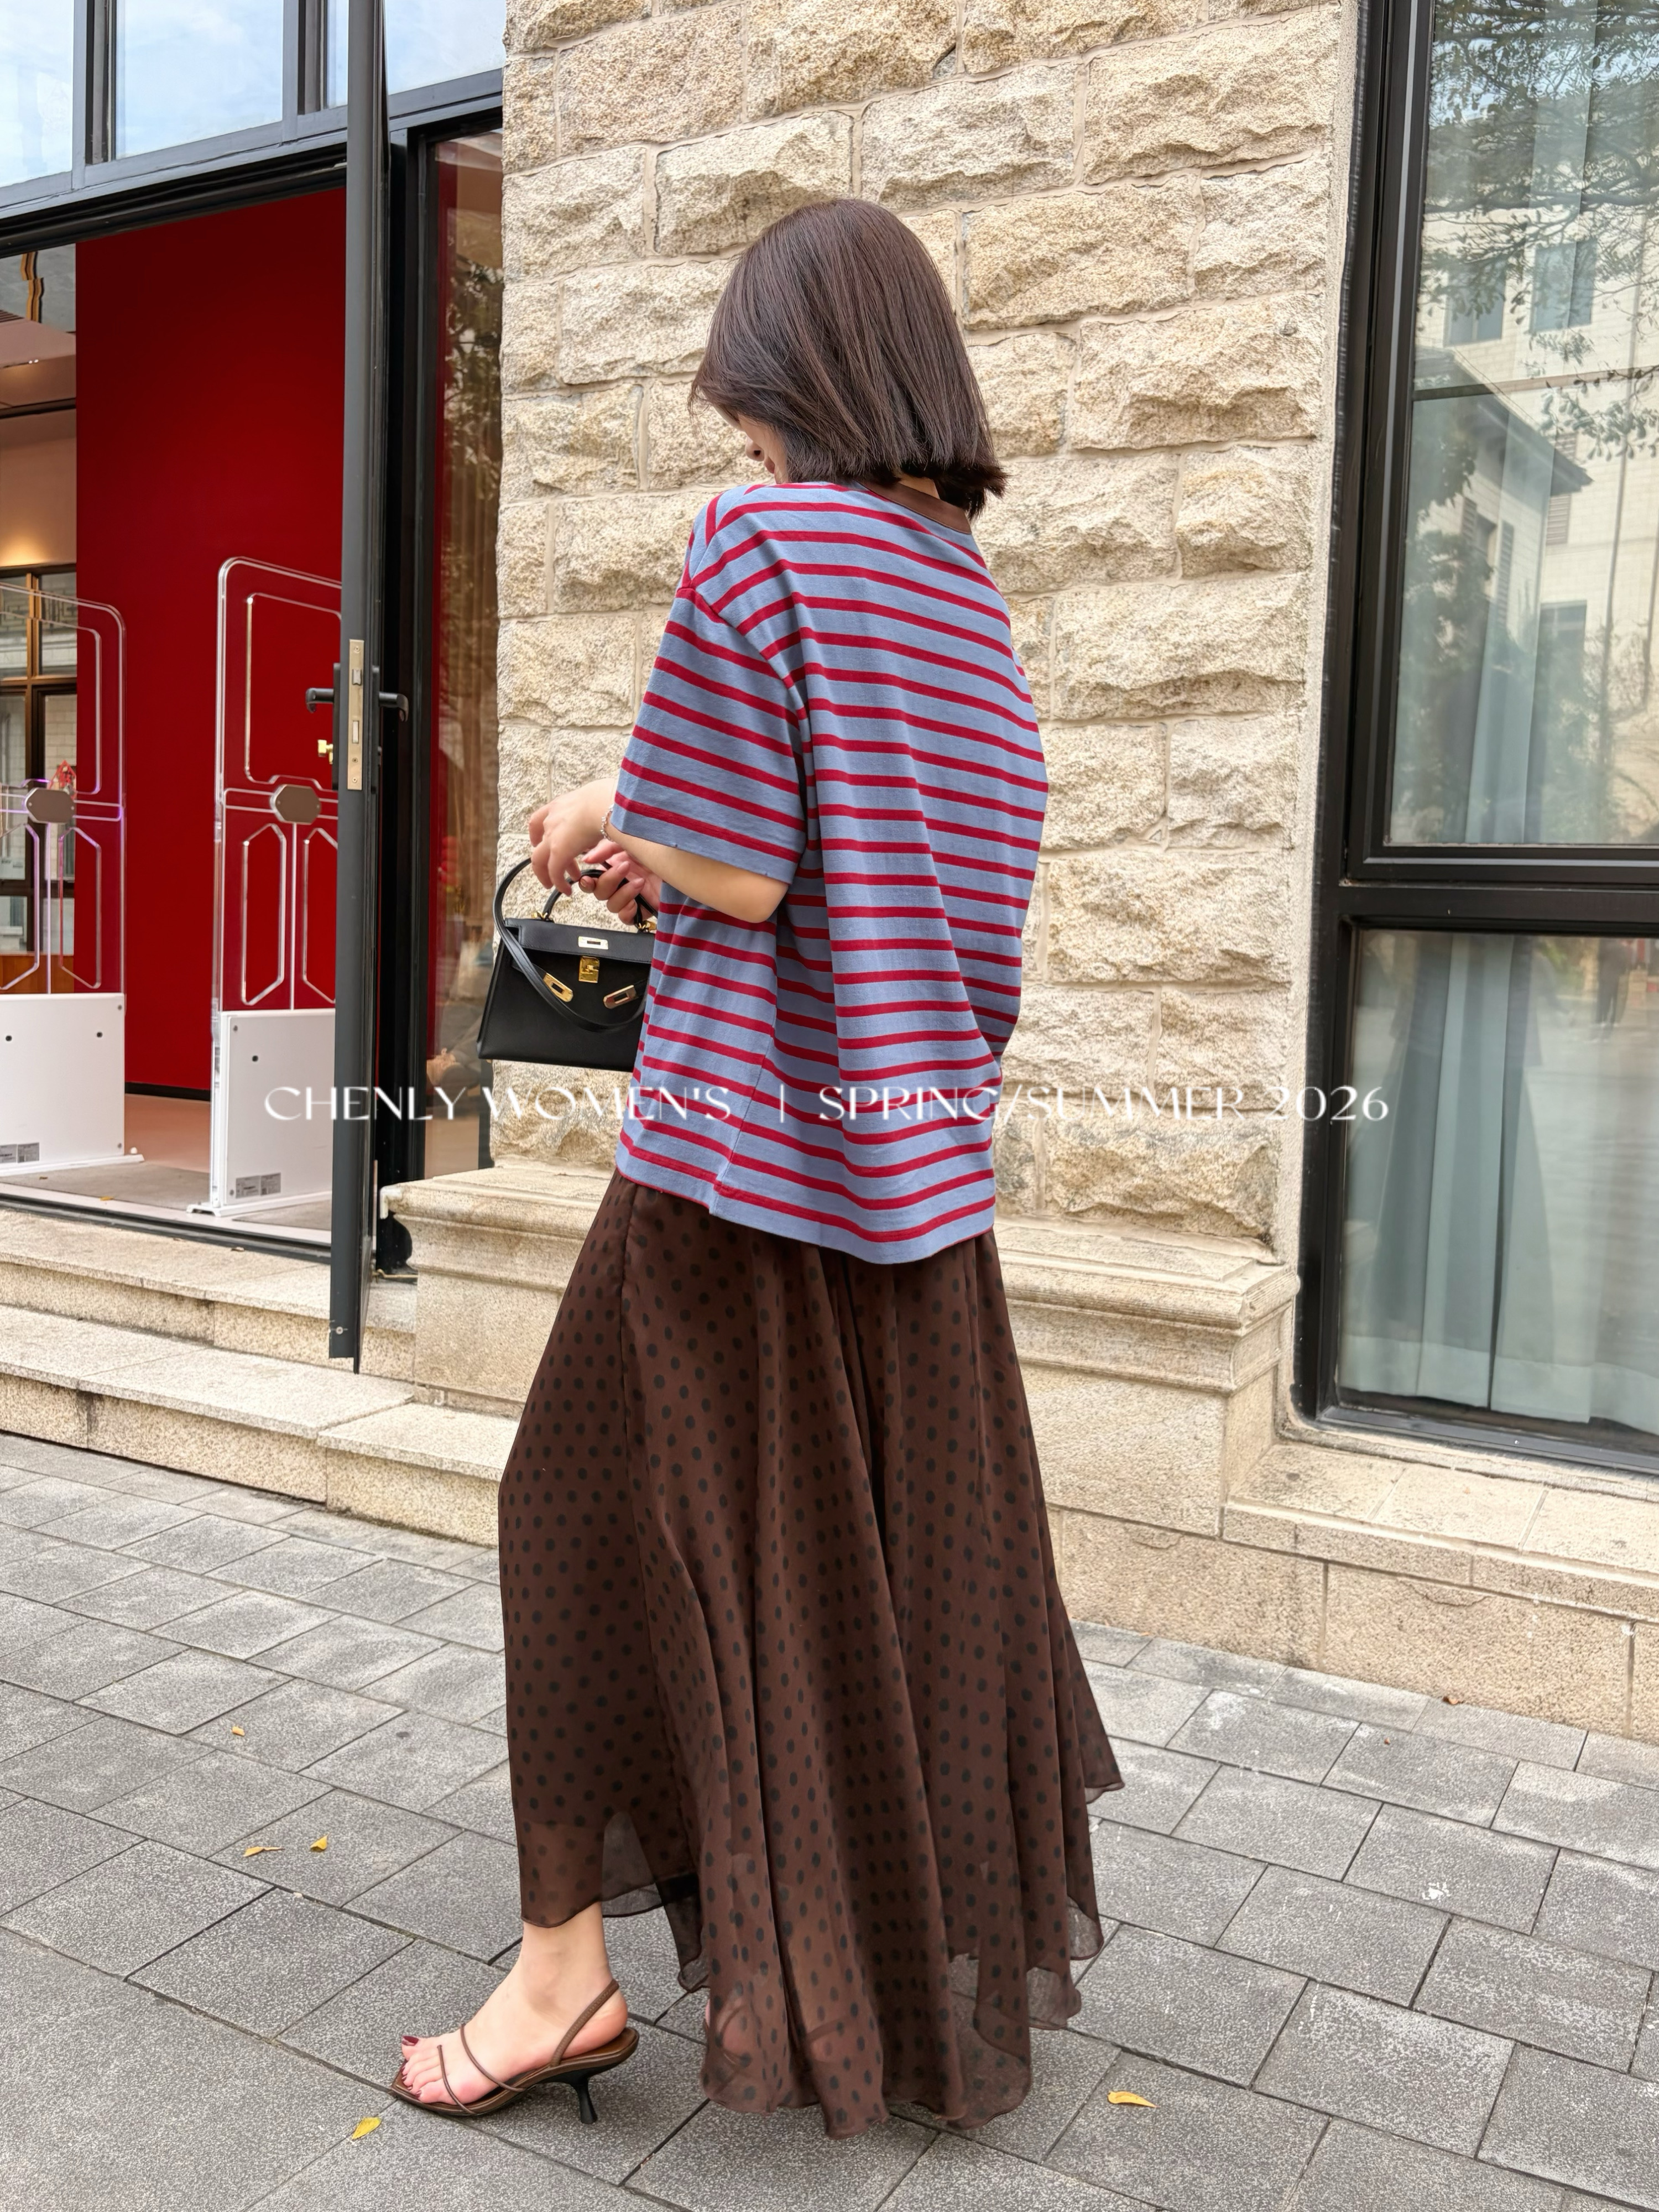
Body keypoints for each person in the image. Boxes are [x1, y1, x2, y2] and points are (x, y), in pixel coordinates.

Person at [394, 196, 1121, 2140]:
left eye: (744, 402)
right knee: (861, 1574)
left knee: (568, 1514)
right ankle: (870, 1968)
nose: (741, 440)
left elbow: (742, 860)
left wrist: (596, 808)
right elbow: (887, 884)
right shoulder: (967, 597)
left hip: (735, 1170)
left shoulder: (764, 539)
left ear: (794, 375)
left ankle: (563, 1982)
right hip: (911, 1179)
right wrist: (684, 849)